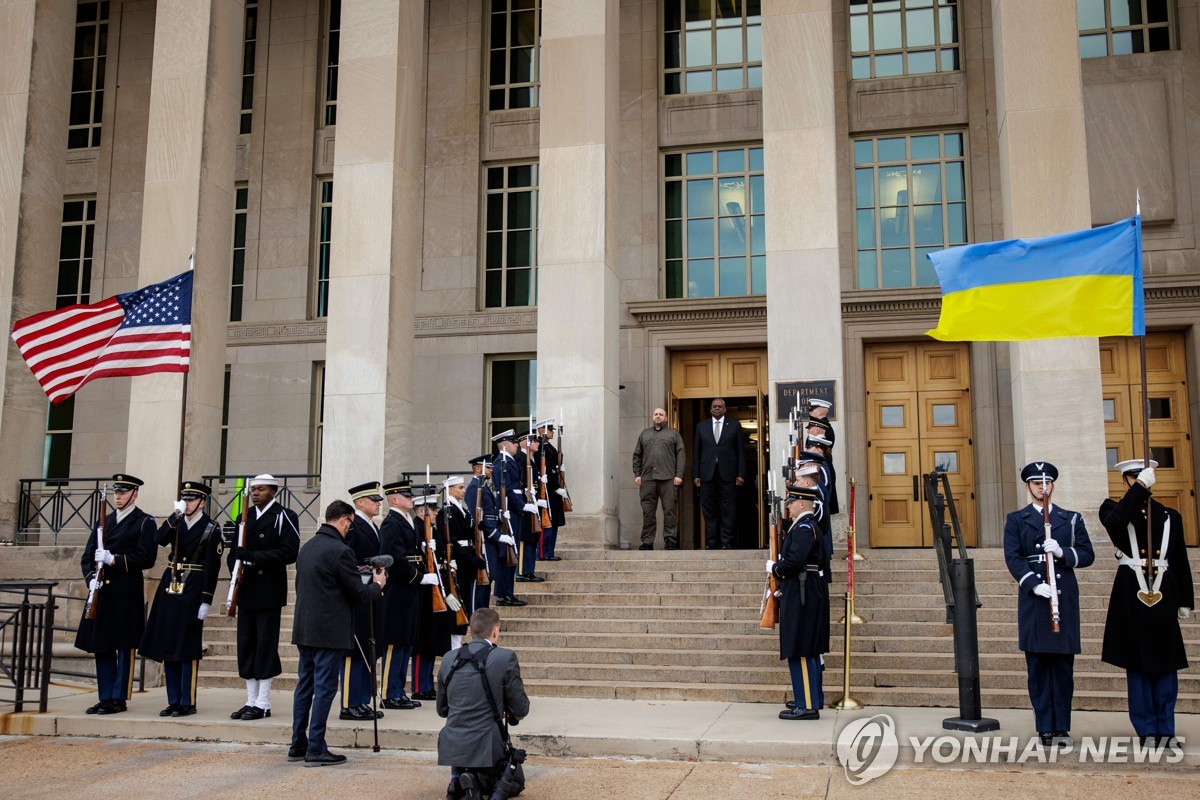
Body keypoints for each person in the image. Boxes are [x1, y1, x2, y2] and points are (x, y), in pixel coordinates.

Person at [1099, 459, 1194, 744]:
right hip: (1131, 593)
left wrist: (1185, 600)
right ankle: (1146, 729)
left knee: (1166, 664)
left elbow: (1179, 559)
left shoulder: (1169, 516)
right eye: (1133, 477)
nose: (1139, 480)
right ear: (1124, 481)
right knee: (1137, 663)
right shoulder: (1111, 509)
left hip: (1163, 591)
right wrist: (1138, 489)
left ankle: (1166, 728)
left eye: (1143, 476)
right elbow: (1116, 522)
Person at [1002, 461, 1094, 747]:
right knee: (1039, 668)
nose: (1042, 488)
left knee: (1063, 669)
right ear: (1028, 487)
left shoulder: (1071, 518)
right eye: (1036, 483)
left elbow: (1087, 555)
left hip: (1063, 596)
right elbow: (1013, 556)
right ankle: (1044, 726)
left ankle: (1061, 727)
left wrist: (1064, 551)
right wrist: (1032, 583)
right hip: (1035, 599)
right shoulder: (1017, 519)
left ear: (1053, 485)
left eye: (1047, 483)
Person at [290, 500, 386, 767]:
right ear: (344, 520)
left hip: (305, 628)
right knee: (324, 688)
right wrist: (378, 585)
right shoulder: (340, 551)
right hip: (329, 630)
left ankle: (298, 742)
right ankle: (316, 747)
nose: (350, 530)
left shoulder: (308, 547)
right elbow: (357, 593)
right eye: (350, 525)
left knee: (304, 686)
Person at [76, 473, 157, 715]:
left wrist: (114, 560)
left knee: (124, 645)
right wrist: (92, 580)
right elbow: (87, 557)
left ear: (135, 495)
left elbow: (146, 558)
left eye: (123, 492)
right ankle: (105, 696)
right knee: (102, 645)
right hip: (102, 592)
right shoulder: (104, 521)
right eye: (116, 492)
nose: (118, 496)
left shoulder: (144, 522)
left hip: (125, 591)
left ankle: (119, 697)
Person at [139, 480, 223, 716]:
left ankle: (188, 701)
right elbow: (158, 539)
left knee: (186, 645)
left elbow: (212, 567)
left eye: (192, 499)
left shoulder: (211, 528)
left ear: (202, 503)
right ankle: (173, 699)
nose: (187, 503)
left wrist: (206, 599)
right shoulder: (176, 523)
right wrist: (173, 517)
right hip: (171, 583)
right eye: (184, 499)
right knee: (169, 642)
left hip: (193, 586)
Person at [227, 474, 300, 721]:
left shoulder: (284, 516)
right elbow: (234, 552)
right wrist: (235, 571)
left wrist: (254, 557)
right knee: (246, 644)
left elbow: (289, 552)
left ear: (273, 492)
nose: (255, 493)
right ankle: (250, 699)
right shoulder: (243, 518)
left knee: (265, 644)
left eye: (261, 489)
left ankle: (263, 701)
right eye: (253, 489)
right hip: (247, 588)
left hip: (268, 589)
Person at [438, 607, 530, 800]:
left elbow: (442, 709)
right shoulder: (505, 657)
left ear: (470, 631)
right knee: (516, 783)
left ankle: (457, 780)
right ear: (496, 631)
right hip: (488, 743)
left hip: (452, 740)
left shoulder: (448, 658)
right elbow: (521, 707)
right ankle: (474, 780)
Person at [768, 485, 828, 720]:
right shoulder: (807, 526)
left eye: (791, 503)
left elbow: (794, 561)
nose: (788, 508)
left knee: (801, 649)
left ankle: (807, 705)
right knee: (808, 650)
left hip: (802, 589)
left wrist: (776, 568)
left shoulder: (803, 527)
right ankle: (809, 697)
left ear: (802, 503)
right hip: (805, 588)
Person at [340, 481, 386, 721]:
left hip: (370, 592)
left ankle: (361, 700)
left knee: (367, 649)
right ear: (360, 503)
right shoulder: (354, 526)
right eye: (374, 500)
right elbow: (347, 561)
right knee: (354, 651)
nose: (379, 503)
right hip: (358, 593)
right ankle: (349, 703)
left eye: (379, 500)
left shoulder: (371, 526)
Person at [378, 479, 423, 710]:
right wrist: (416, 576)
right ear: (394, 499)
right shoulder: (391, 523)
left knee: (406, 642)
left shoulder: (409, 520)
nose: (411, 499)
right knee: (394, 643)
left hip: (410, 589)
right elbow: (393, 557)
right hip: (398, 588)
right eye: (407, 496)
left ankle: (399, 690)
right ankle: (387, 693)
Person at [412, 492, 459, 701]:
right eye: (432, 509)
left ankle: (427, 683)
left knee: (431, 642)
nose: (436, 512)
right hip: (423, 591)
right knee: (423, 643)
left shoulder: (433, 530)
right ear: (422, 511)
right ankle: (418, 686)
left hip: (436, 589)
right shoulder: (416, 529)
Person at [692, 398, 746, 549]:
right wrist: (696, 474)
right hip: (707, 474)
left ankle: (726, 542)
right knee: (709, 510)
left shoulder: (734, 425)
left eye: (719, 406)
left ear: (725, 409)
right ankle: (711, 543)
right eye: (714, 406)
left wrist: (741, 473)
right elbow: (697, 451)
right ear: (710, 409)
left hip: (728, 474)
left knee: (728, 509)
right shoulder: (701, 427)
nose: (717, 408)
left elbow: (740, 451)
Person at [443, 475, 487, 651]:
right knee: (458, 604)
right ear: (450, 490)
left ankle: (458, 641)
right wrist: (470, 558)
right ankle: (454, 645)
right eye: (460, 488)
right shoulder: (448, 511)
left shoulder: (461, 509)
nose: (463, 491)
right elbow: (451, 541)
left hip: (465, 560)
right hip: (458, 562)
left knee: (465, 601)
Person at [632, 407, 686, 550]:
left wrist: (679, 475)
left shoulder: (673, 434)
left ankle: (670, 540)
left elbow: (681, 455)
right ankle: (647, 541)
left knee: (669, 511)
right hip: (647, 479)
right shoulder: (644, 434)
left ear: (666, 418)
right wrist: (637, 474)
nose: (658, 416)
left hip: (668, 478)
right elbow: (637, 455)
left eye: (661, 414)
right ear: (652, 417)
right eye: (655, 414)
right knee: (648, 512)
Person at [491, 430, 531, 606]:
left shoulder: (508, 461)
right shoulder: (501, 462)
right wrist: (522, 505)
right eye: (514, 443)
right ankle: (503, 594)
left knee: (511, 552)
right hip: (509, 510)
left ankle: (507, 592)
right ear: (505, 444)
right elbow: (505, 489)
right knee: (507, 553)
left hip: (514, 509)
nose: (517, 446)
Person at [465, 455, 503, 611]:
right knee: (482, 581)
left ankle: (484, 616)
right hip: (484, 539)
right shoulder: (474, 488)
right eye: (488, 467)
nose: (491, 470)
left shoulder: (484, 487)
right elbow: (478, 518)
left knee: (488, 579)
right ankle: (478, 617)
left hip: (489, 539)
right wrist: (495, 534)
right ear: (479, 468)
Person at [515, 433, 546, 583]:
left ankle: (529, 570)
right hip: (525, 504)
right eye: (534, 441)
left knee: (532, 538)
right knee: (525, 538)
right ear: (524, 442)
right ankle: (522, 571)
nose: (537, 443)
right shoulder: (520, 459)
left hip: (533, 502)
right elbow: (520, 482)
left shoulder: (531, 460)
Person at [535, 419, 566, 561]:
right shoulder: (540, 447)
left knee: (554, 522)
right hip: (547, 490)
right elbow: (545, 470)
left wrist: (561, 470)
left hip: (553, 490)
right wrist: (555, 487)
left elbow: (554, 467)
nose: (552, 432)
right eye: (550, 430)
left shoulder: (549, 446)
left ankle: (549, 551)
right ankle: (543, 553)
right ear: (542, 431)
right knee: (547, 522)